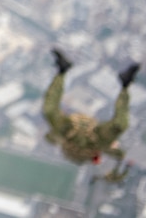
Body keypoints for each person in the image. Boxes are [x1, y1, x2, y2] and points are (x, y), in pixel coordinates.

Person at [43, 48, 138, 184]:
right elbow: (118, 155)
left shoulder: (62, 135)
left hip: (71, 133)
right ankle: (125, 85)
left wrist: (117, 166)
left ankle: (62, 71)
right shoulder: (99, 144)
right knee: (120, 125)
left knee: (49, 111)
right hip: (92, 139)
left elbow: (50, 134)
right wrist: (117, 167)